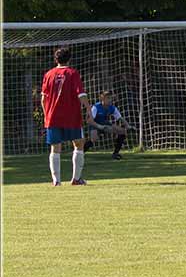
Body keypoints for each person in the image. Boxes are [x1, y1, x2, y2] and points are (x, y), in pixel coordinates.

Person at [41, 47, 95, 186]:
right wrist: (89, 109)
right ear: (69, 59)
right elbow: (81, 95)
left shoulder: (48, 74)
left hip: (52, 116)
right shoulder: (73, 73)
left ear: (56, 59)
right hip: (71, 116)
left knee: (55, 147)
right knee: (79, 143)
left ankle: (56, 181)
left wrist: (46, 114)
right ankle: (76, 179)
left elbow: (43, 98)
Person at [84, 90, 132, 160]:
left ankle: (116, 154)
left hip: (105, 124)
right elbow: (89, 121)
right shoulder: (96, 107)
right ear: (102, 99)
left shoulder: (112, 108)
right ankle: (80, 152)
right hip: (95, 125)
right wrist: (99, 126)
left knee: (122, 131)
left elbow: (120, 118)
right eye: (108, 98)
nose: (110, 100)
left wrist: (128, 126)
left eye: (110, 98)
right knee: (94, 139)